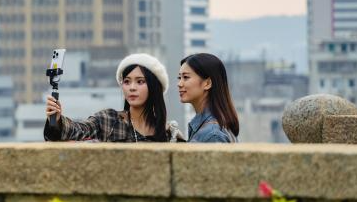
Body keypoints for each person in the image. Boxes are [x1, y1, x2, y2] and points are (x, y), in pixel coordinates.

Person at [44, 53, 184, 143]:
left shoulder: (170, 134)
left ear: (154, 87)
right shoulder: (108, 120)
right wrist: (56, 120)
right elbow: (78, 129)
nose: (132, 87)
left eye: (140, 81)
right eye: (127, 81)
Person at [177, 53, 239, 143]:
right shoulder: (208, 128)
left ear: (207, 83)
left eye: (186, 77)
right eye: (179, 78)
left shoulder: (213, 135)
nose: (179, 84)